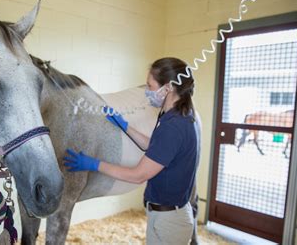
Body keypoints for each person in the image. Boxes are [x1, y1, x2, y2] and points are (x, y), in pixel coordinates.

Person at [64, 57, 200, 245]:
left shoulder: (173, 127)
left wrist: (94, 164)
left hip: (169, 220)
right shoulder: (177, 118)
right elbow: (154, 146)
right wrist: (125, 126)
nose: (146, 92)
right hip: (168, 216)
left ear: (167, 88)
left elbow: (138, 175)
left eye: (150, 86)